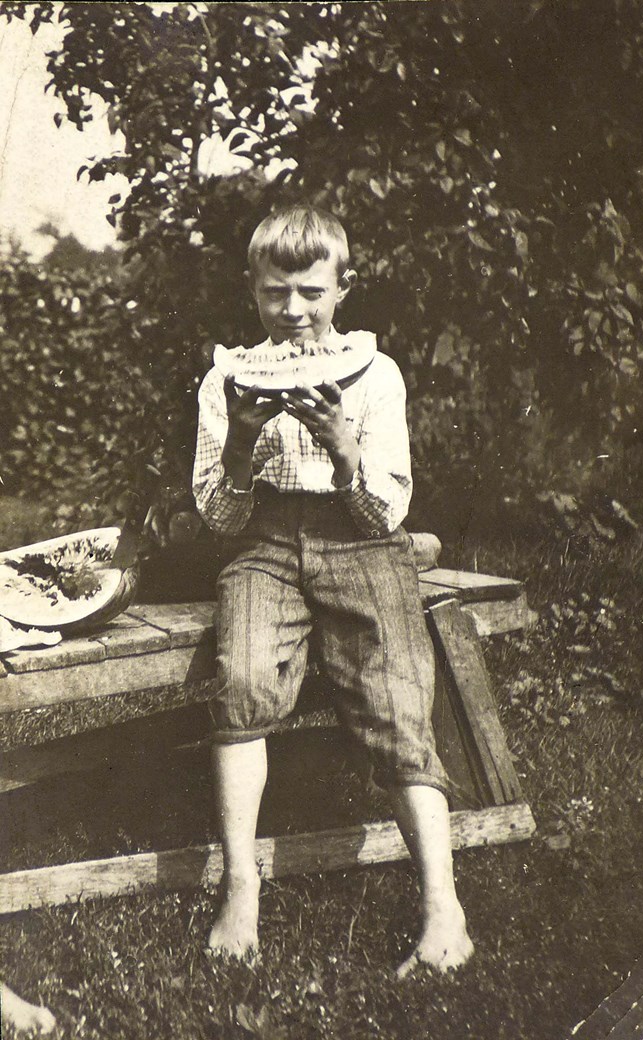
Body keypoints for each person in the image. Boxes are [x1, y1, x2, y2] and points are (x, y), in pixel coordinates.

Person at [192, 204, 474, 977]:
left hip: (364, 538)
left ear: (342, 290)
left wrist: (347, 453)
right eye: (276, 292)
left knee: (397, 702)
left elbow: (389, 508)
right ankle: (241, 891)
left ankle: (442, 907)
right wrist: (243, 443)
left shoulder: (377, 374)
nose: (293, 312)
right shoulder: (225, 380)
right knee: (243, 679)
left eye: (312, 292)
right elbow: (219, 518)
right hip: (265, 546)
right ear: (252, 290)